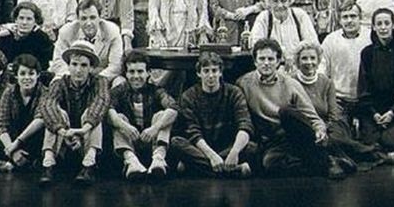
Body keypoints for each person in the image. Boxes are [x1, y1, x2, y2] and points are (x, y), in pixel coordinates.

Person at [292, 41, 394, 175]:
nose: (309, 62)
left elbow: (334, 113)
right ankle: (375, 154)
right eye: (304, 58)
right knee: (320, 141)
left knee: (334, 139)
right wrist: (316, 129)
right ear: (297, 61)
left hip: (330, 125)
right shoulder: (291, 82)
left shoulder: (326, 82)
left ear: (318, 60)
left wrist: (325, 128)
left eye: (313, 58)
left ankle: (341, 158)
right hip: (306, 127)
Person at [237, 39, 337, 178]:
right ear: (255, 61)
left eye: (271, 59)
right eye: (262, 59)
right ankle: (317, 163)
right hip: (270, 139)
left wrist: (320, 129)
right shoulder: (244, 83)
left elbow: (311, 115)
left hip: (292, 133)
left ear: (278, 61)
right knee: (269, 164)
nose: (266, 63)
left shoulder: (290, 83)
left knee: (287, 112)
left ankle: (325, 160)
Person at [171, 52, 256, 178]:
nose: (211, 75)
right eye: (206, 71)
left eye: (214, 71)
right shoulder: (189, 96)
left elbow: (245, 125)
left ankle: (194, 168)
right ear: (199, 73)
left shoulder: (234, 92)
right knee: (176, 142)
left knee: (251, 147)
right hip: (202, 148)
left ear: (221, 72)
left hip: (227, 146)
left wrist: (234, 152)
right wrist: (212, 156)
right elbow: (193, 133)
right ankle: (232, 170)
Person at [39, 40, 110, 185]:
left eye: (84, 65)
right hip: (64, 140)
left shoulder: (99, 82)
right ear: (68, 66)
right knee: (55, 112)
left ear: (91, 68)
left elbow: (101, 102)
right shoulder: (59, 83)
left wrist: (84, 130)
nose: (78, 70)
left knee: (93, 114)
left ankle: (89, 166)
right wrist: (62, 131)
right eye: (74, 64)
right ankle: (48, 164)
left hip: (89, 140)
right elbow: (47, 104)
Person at [108, 50, 178, 179]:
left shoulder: (156, 91)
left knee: (163, 114)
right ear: (126, 74)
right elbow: (108, 109)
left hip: (151, 142)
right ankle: (131, 162)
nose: (136, 76)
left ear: (148, 73)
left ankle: (159, 160)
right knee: (118, 118)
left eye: (140, 71)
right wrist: (124, 126)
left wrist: (154, 128)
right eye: (131, 72)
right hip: (130, 142)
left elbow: (174, 108)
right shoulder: (119, 91)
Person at [357, 8, 394, 153]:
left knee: (391, 142)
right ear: (374, 27)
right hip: (373, 110)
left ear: (393, 25)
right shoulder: (367, 53)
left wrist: (392, 112)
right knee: (370, 143)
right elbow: (364, 86)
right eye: (379, 24)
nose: (383, 27)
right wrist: (373, 113)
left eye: (386, 23)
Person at [0, 54, 48, 172]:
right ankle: (16, 162)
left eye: (31, 74)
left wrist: (16, 144)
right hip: (13, 140)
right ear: (16, 76)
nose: (27, 78)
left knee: (42, 144)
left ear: (38, 75)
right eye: (22, 74)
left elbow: (40, 119)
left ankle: (7, 164)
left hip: (31, 138)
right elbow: (2, 124)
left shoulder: (45, 93)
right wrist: (12, 150)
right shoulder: (9, 93)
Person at [50, 0, 123, 84]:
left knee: (120, 82)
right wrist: (75, 78)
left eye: (92, 18)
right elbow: (58, 62)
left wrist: (93, 81)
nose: (88, 23)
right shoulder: (66, 31)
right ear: (78, 19)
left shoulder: (112, 31)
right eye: (84, 18)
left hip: (101, 77)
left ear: (100, 17)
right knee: (56, 81)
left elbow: (116, 66)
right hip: (72, 76)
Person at [321, 3, 371, 122]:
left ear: (361, 18)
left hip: (366, 100)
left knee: (369, 138)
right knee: (338, 135)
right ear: (339, 20)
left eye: (353, 16)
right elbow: (322, 68)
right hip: (339, 100)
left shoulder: (370, 38)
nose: (349, 20)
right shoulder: (331, 40)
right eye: (345, 17)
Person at [250, 0, 318, 69]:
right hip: (272, 68)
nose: (280, 5)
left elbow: (312, 43)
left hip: (298, 68)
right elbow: (257, 44)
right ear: (269, 3)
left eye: (283, 1)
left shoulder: (300, 15)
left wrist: (295, 56)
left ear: (290, 1)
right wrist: (283, 53)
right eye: (275, 1)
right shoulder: (264, 17)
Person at [0, 2, 54, 72]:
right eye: (21, 18)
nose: (24, 22)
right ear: (16, 19)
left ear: (35, 21)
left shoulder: (43, 39)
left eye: (29, 19)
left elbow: (45, 65)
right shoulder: (5, 38)